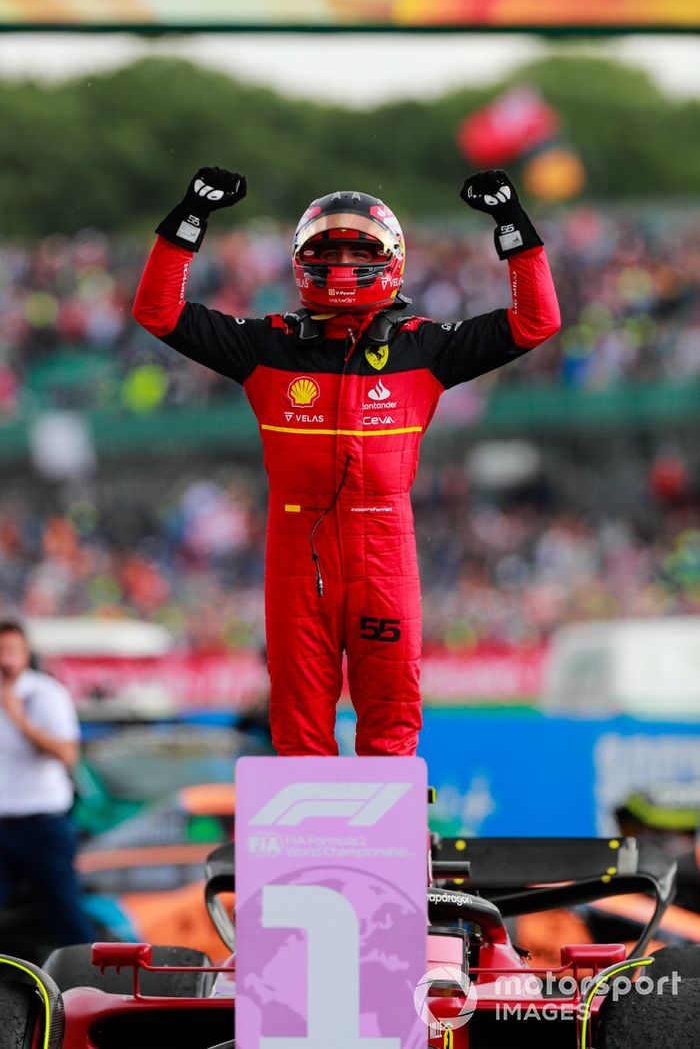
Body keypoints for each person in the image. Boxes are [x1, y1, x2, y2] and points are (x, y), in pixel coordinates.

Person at [133, 167, 560, 756]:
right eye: (326, 251)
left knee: (391, 720)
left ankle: (392, 847)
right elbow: (158, 311)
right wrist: (190, 216)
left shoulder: (425, 345)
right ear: (300, 260)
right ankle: (306, 849)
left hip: (383, 547)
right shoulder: (266, 342)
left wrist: (513, 223)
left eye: (357, 251)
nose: (340, 264)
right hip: (294, 552)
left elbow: (536, 321)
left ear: (390, 258)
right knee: (298, 726)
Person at [0, 620, 95, 945]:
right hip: (3, 823)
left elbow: (67, 753)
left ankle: (94, 985)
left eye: (11, 650)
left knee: (64, 912)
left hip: (42, 824)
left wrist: (19, 719)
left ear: (27, 654)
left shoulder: (45, 694)